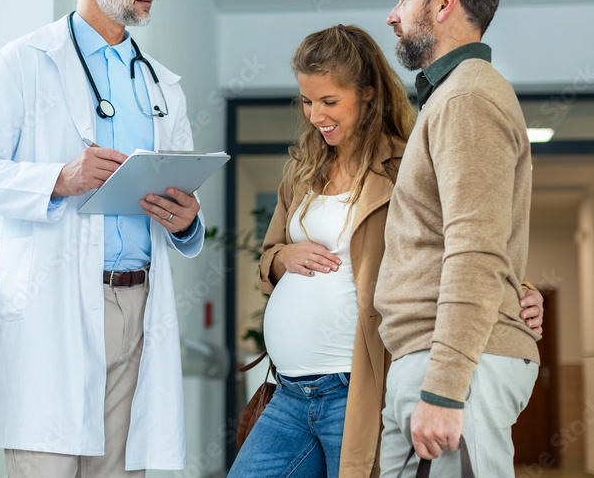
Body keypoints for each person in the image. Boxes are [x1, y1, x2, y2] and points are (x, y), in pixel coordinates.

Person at [0, 0, 205, 477]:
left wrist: (186, 220)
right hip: (55, 299)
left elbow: (184, 196)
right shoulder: (24, 62)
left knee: (118, 470)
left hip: (138, 304)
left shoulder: (163, 87)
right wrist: (58, 179)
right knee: (47, 465)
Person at [230, 25, 544, 477]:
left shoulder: (406, 163)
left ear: (369, 95)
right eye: (306, 100)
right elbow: (267, 257)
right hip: (290, 390)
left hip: (355, 384)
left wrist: (521, 288)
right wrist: (283, 258)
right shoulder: (301, 170)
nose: (315, 115)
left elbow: (465, 235)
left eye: (329, 101)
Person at [374, 0, 541, 475]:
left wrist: (444, 391)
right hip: (437, 363)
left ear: (443, 4)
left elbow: (476, 250)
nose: (392, 15)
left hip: (455, 374)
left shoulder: (468, 96)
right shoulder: (452, 97)